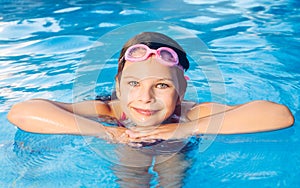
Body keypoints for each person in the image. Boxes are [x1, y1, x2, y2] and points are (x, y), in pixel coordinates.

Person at [7, 32, 294, 144]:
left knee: (173, 164)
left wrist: (181, 129)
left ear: (181, 91)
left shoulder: (190, 114)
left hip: (177, 138)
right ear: (118, 87)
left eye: (162, 85)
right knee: (130, 163)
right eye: (133, 84)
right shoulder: (108, 111)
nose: (145, 97)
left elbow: (279, 115)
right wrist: (110, 133)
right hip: (116, 135)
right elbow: (22, 111)